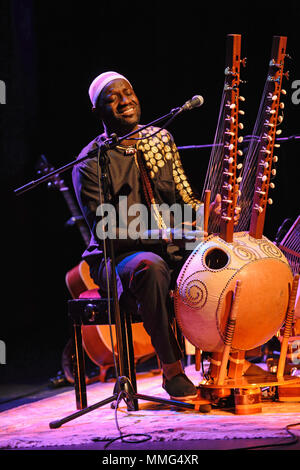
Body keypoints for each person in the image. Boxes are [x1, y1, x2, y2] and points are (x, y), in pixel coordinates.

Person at [72, 71, 223, 401]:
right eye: (113, 99)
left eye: (128, 92)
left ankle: (223, 360)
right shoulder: (89, 163)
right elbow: (107, 230)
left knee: (218, 259)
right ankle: (171, 370)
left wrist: (206, 212)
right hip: (116, 260)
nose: (125, 101)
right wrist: (171, 233)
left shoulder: (160, 141)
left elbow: (184, 197)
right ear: (97, 112)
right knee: (150, 266)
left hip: (170, 248)